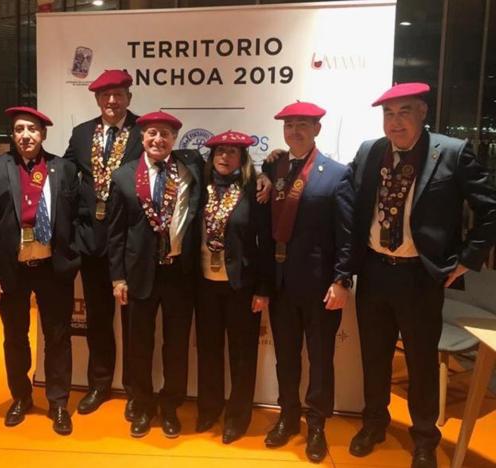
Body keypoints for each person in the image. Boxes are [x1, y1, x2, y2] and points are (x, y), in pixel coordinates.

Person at [348, 82, 496, 468]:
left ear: (423, 112)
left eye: (404, 112)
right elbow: (343, 193)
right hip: (375, 270)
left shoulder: (452, 152)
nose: (395, 123)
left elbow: (490, 210)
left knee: (421, 362)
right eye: (388, 114)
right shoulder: (370, 151)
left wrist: (467, 259)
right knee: (375, 357)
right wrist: (275, 168)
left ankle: (425, 439)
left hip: (421, 277)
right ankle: (374, 424)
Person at [0, 106, 80, 435]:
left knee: (58, 337)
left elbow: (76, 217)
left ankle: (59, 402)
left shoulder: (63, 169)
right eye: (19, 129)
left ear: (43, 134)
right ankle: (20, 397)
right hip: (11, 269)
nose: (26, 135)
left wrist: (72, 257)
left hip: (52, 267)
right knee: (14, 337)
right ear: (13, 134)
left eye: (32, 129)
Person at [262, 102, 353, 463]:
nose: (295, 131)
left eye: (303, 125)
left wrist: (342, 279)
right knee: (285, 357)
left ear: (317, 129)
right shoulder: (274, 166)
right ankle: (288, 416)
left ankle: (316, 424)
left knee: (320, 360)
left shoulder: (337, 173)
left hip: (320, 286)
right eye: (289, 125)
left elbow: (347, 234)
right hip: (281, 282)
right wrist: (266, 173)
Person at [108, 111, 203, 438]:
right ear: (142, 137)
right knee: (139, 345)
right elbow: (116, 232)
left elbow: (234, 168)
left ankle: (170, 406)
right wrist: (117, 277)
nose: (157, 140)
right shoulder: (122, 177)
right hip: (138, 274)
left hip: (179, 274)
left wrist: (268, 165)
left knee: (176, 346)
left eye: (164, 134)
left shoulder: (192, 169)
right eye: (151, 134)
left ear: (175, 139)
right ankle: (143, 403)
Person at [63, 69, 142, 419]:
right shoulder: (82, 134)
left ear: (129, 96)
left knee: (134, 321)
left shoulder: (145, 131)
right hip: (93, 243)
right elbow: (63, 173)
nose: (112, 100)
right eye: (106, 95)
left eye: (119, 94)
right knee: (98, 319)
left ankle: (136, 391)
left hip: (131, 244)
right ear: (97, 99)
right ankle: (99, 384)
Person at [194, 130, 272, 444]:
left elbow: (266, 242)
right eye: (219, 152)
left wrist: (263, 288)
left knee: (242, 355)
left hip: (242, 285)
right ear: (211, 157)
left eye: (232, 152)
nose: (225, 157)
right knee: (209, 351)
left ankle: (238, 417)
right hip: (204, 285)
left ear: (243, 158)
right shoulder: (200, 187)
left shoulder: (255, 190)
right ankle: (209, 409)